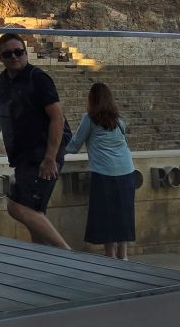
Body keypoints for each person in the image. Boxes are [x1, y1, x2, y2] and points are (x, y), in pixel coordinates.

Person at [0, 33, 71, 248]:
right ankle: (42, 260)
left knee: (18, 207)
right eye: (8, 54)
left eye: (18, 52)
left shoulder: (38, 78)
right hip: (22, 156)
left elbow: (57, 118)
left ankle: (68, 254)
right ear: (0, 57)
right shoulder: (3, 81)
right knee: (34, 214)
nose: (14, 57)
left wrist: (50, 158)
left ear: (26, 53)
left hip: (42, 154)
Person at [66, 82, 137, 260]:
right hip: (127, 171)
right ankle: (123, 255)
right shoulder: (119, 121)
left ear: (92, 99)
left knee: (107, 215)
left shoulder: (89, 119)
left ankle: (110, 255)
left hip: (104, 173)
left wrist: (53, 151)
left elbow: (74, 146)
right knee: (123, 213)